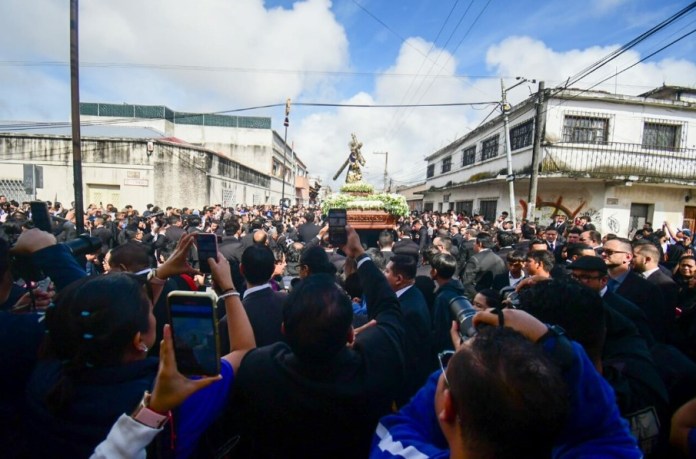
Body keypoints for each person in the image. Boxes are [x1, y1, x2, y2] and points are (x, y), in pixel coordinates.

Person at [229, 226, 405, 458]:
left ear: (284, 330)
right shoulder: (372, 375)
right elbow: (389, 311)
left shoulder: (260, 370)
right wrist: (359, 253)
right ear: (351, 335)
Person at [370, 308, 641, 459]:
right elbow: (604, 428)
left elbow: (402, 426)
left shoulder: (399, 452)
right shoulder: (600, 447)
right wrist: (551, 343)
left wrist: (467, 362)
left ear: (449, 407)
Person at [384, 254, 431, 405]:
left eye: (386, 271)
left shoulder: (409, 310)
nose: (383, 274)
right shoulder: (411, 294)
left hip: (406, 389)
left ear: (398, 279)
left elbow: (408, 356)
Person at [430, 252, 465, 357]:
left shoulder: (442, 298)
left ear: (435, 271)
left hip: (446, 351)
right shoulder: (457, 288)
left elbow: (439, 329)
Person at [461, 232, 506, 299]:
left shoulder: (475, 259)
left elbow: (467, 282)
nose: (473, 244)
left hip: (479, 297)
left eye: (475, 242)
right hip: (495, 297)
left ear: (480, 244)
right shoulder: (499, 258)